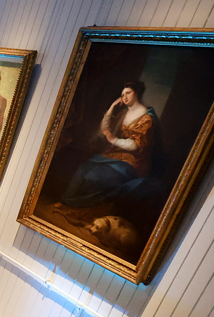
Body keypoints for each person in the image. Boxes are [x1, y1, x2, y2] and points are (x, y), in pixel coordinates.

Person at [57, 81, 159, 216]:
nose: (125, 97)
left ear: (137, 93)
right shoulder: (123, 113)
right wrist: (112, 107)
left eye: (128, 93)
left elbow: (135, 145)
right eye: (122, 94)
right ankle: (65, 202)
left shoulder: (146, 118)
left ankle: (78, 207)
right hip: (113, 156)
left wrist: (113, 140)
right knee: (82, 169)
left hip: (131, 162)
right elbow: (105, 129)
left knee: (93, 176)